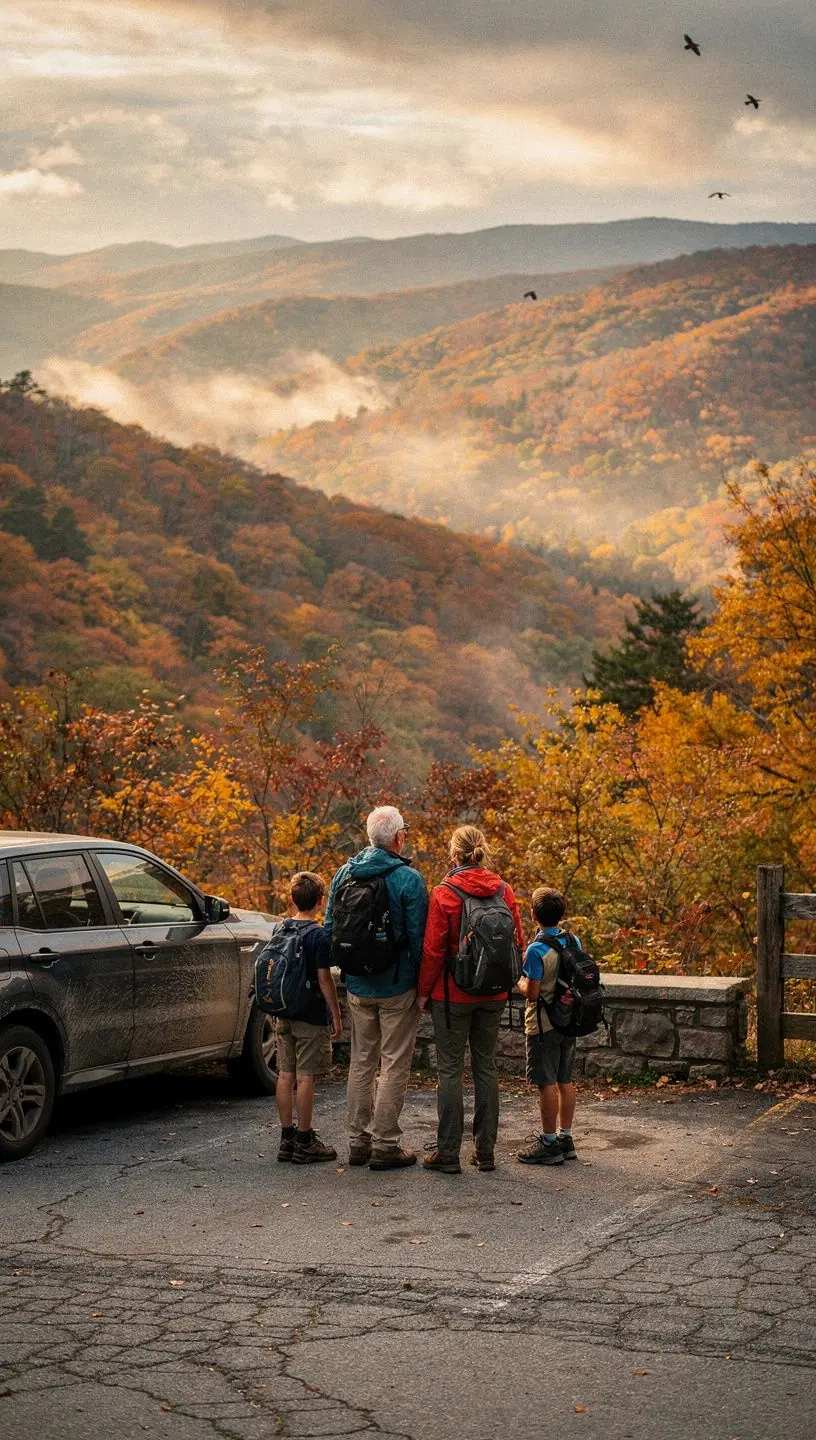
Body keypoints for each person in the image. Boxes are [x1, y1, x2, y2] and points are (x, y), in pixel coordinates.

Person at [324, 806, 428, 1171]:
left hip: (357, 984)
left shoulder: (344, 873)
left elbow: (330, 928)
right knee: (394, 1063)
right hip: (397, 984)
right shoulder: (409, 879)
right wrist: (423, 985)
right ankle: (385, 1144)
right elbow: (419, 939)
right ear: (399, 838)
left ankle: (358, 1142)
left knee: (362, 1062)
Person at [418, 825, 524, 1175]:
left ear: (454, 854)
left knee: (450, 1069)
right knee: (486, 1066)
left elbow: (433, 950)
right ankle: (485, 1151)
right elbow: (518, 943)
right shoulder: (504, 891)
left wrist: (423, 992)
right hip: (494, 993)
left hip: (452, 995)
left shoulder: (445, 893)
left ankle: (448, 1153)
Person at [275, 871, 343, 1164]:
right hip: (310, 1014)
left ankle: (286, 1138)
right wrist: (336, 1015)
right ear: (320, 901)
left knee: (285, 1074)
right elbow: (324, 978)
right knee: (305, 1077)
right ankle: (304, 1140)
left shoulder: (280, 927)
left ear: (292, 899)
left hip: (283, 1012)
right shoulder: (319, 935)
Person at [516, 886, 578, 1166]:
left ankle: (549, 1142)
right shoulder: (572, 940)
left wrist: (519, 981)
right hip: (569, 1020)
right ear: (562, 914)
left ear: (533, 915)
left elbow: (533, 993)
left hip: (544, 1024)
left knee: (546, 1083)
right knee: (565, 1080)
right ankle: (567, 1138)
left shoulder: (536, 949)